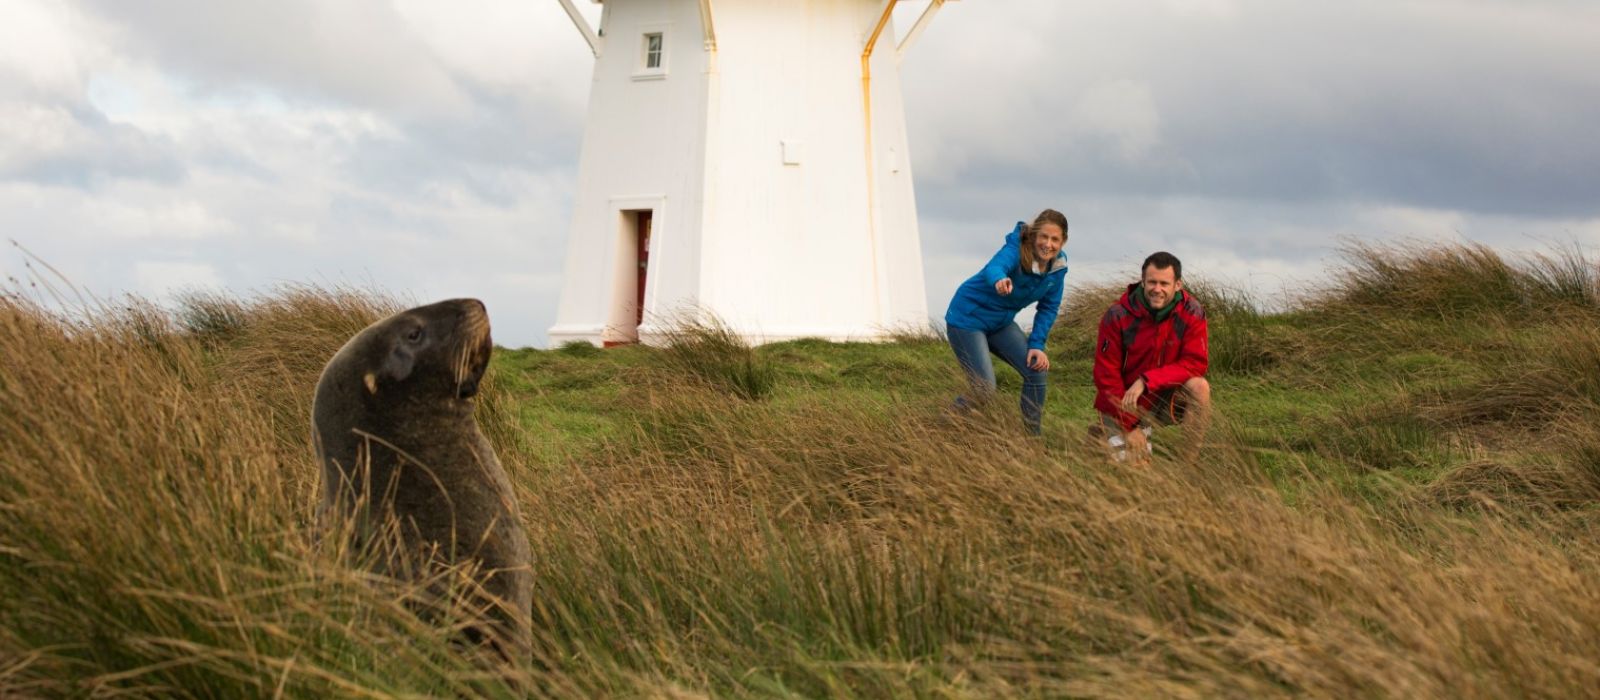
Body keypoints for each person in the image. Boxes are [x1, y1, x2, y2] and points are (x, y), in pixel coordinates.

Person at [944, 209, 1069, 435]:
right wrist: (1000, 279)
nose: (1048, 244)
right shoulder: (1016, 248)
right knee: (984, 389)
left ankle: (1032, 441)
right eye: (1044, 237)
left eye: (1055, 239)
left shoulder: (1057, 269)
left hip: (1000, 322)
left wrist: (1037, 346)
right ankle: (943, 423)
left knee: (1036, 371)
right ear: (1033, 235)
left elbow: (1049, 307)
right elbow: (995, 267)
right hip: (968, 318)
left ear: (1063, 242)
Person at [1093, 251, 1212, 461]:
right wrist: (1129, 427)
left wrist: (1146, 381)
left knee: (1200, 387)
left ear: (1178, 285)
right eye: (1152, 282)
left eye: (1164, 283)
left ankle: (1188, 465)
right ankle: (1102, 434)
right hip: (1123, 401)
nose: (1157, 289)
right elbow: (1106, 375)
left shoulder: (1192, 311)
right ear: (1142, 282)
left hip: (1161, 397)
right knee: (1138, 475)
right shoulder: (1117, 315)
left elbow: (1195, 363)